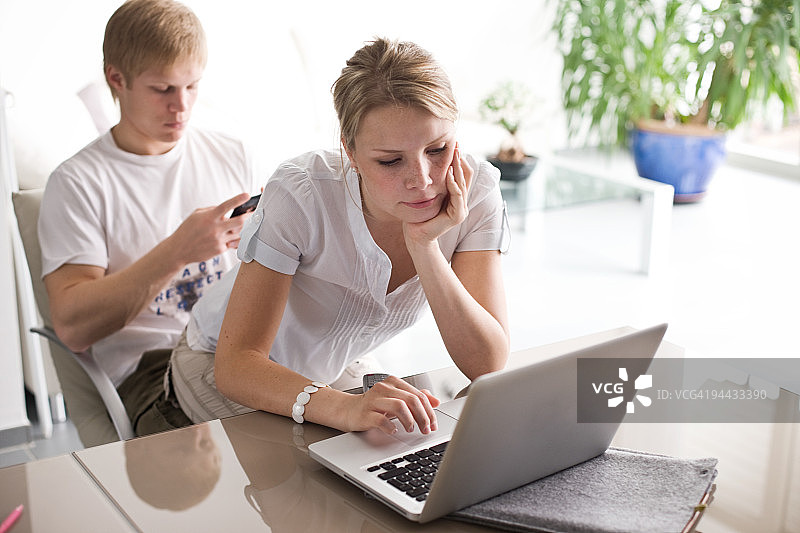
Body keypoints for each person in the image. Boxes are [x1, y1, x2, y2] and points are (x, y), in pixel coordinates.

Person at [169, 37, 510, 436]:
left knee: (399, 453)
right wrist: (346, 409)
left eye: (437, 149)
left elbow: (486, 363)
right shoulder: (302, 193)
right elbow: (238, 364)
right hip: (218, 360)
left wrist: (425, 247)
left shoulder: (477, 189)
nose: (422, 180)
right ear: (350, 151)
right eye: (390, 161)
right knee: (305, 477)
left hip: (328, 367)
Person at [38, 0, 260, 444]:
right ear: (116, 79)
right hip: (153, 367)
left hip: (236, 344)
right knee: (257, 445)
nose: (181, 106)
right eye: (162, 89)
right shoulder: (78, 182)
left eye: (192, 86)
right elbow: (73, 327)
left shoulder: (229, 150)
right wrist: (180, 250)